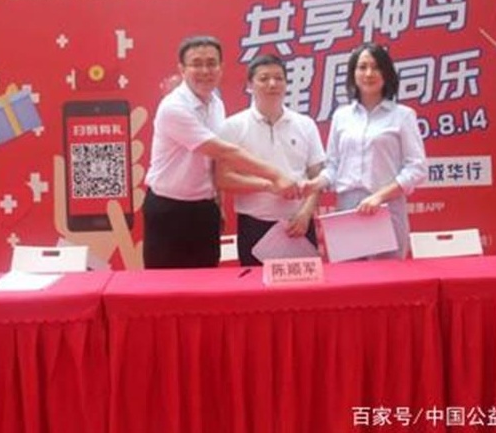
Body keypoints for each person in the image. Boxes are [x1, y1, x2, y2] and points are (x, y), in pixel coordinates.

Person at [143, 36, 299, 269]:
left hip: (205, 208)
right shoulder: (173, 107)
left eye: (211, 63)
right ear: (182, 69)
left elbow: (214, 162)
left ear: (221, 67)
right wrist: (275, 175)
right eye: (197, 64)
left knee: (206, 280)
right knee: (164, 283)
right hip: (169, 208)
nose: (205, 71)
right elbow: (224, 151)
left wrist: (218, 203)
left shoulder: (216, 103)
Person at [308, 43, 427, 259]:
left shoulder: (403, 115)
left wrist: (379, 196)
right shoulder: (342, 116)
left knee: (388, 275)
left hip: (386, 206)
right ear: (353, 74)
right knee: (349, 276)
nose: (369, 73)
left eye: (376, 67)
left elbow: (417, 169)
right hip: (347, 209)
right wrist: (315, 183)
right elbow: (333, 166)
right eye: (362, 67)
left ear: (386, 73)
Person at [216, 54, 325, 266]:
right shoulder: (233, 126)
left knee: (304, 286)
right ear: (250, 85)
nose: (272, 84)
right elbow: (223, 179)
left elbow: (317, 177)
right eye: (264, 79)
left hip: (299, 223)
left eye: (278, 78)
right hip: (255, 224)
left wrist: (305, 214)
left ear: (286, 84)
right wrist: (268, 185)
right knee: (256, 286)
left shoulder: (305, 124)